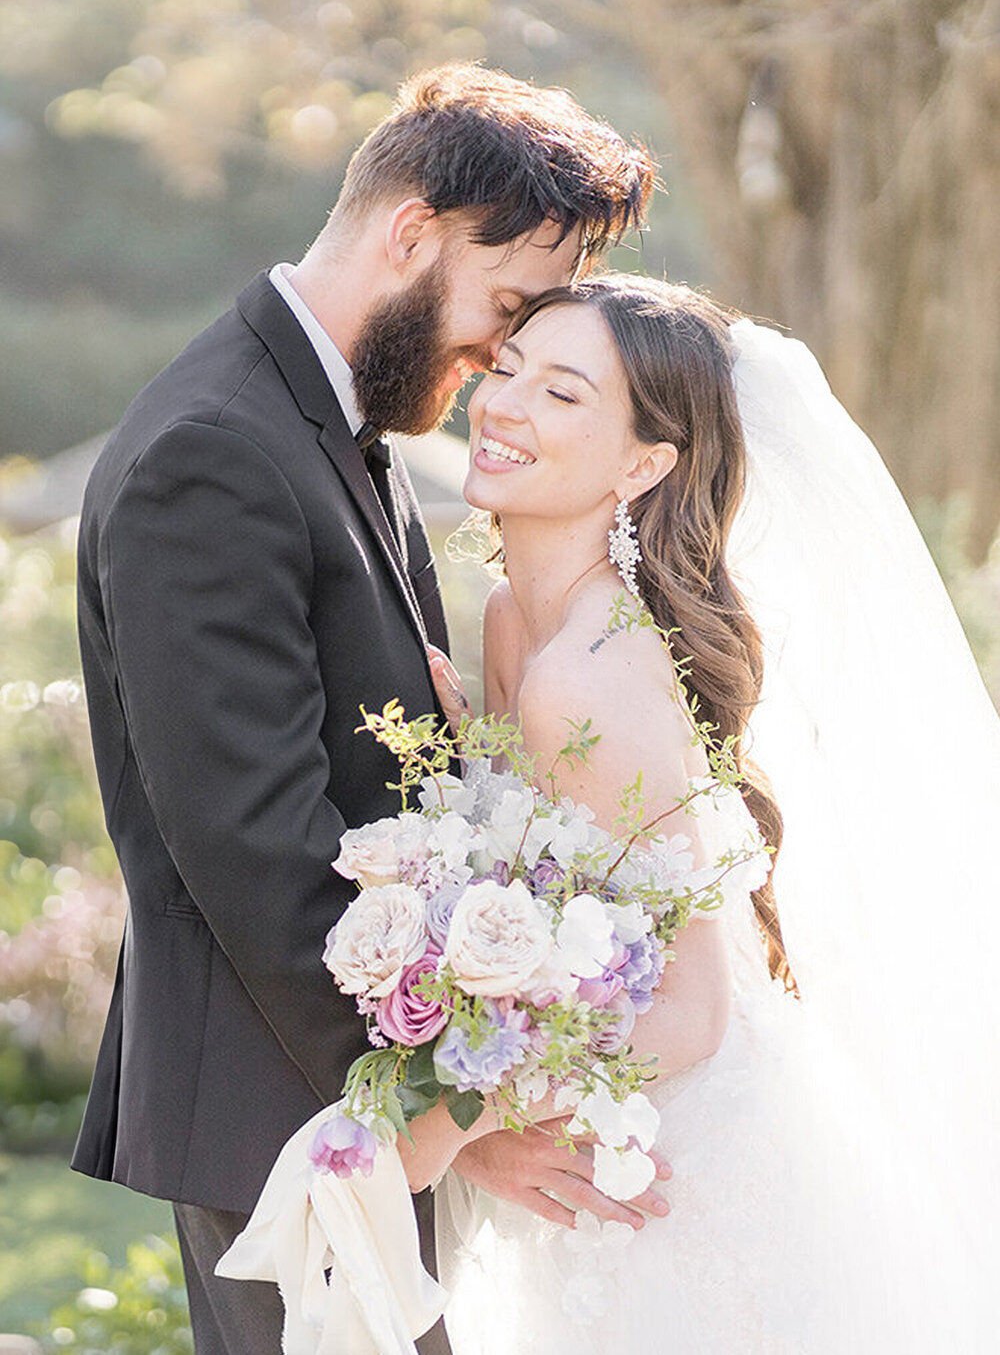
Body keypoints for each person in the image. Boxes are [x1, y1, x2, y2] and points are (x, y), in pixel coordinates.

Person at [71, 65, 661, 1355]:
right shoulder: (213, 453)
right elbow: (254, 848)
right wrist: (431, 1121)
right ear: (411, 232)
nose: (495, 358)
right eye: (501, 307)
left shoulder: (335, 427)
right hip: (291, 1129)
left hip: (347, 1115)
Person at [396, 275, 1000, 1352]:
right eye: (510, 368)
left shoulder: (588, 671)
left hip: (689, 1170)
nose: (502, 405)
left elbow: (687, 1012)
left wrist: (441, 1129)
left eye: (564, 393)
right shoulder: (509, 619)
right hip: (603, 1128)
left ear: (645, 464)